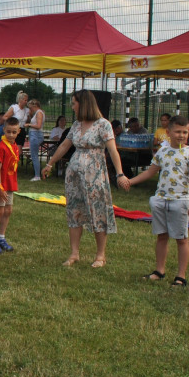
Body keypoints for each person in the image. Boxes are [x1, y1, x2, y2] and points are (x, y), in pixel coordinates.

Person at [43, 90, 126, 268]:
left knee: (98, 210)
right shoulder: (76, 125)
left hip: (95, 174)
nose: (72, 107)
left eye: (74, 103)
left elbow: (112, 150)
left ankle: (100, 255)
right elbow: (65, 145)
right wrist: (50, 163)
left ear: (84, 103)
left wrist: (119, 173)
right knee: (74, 211)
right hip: (74, 175)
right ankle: (74, 253)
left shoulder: (103, 124)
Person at [119, 115, 189, 288]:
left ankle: (181, 276)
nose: (181, 135)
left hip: (180, 201)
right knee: (162, 236)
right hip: (161, 200)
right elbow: (150, 172)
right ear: (168, 132)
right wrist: (130, 181)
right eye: (178, 131)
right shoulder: (162, 152)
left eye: (185, 132)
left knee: (181, 239)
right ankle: (159, 270)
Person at [0, 117, 22, 251]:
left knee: (8, 210)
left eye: (14, 132)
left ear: (18, 131)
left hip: (10, 183)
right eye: (8, 131)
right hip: (1, 183)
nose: (10, 135)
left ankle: (1, 236)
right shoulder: (1, 146)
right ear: (3, 130)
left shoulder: (15, 146)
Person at [26, 98, 46, 181]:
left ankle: (37, 175)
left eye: (31, 107)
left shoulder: (39, 113)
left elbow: (38, 126)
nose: (30, 109)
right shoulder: (38, 113)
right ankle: (37, 174)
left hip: (36, 135)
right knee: (34, 155)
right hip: (34, 134)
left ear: (35, 106)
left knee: (34, 156)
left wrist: (29, 125)